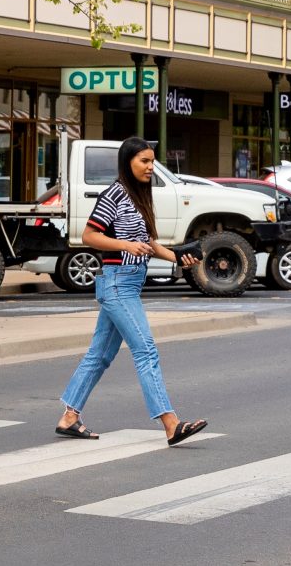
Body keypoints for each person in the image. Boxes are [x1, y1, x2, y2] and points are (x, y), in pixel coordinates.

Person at [53, 137, 206, 447]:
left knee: (100, 356)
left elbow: (151, 245)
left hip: (128, 283)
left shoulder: (139, 197)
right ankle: (170, 423)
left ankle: (69, 417)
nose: (151, 167)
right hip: (117, 282)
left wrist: (179, 257)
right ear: (128, 163)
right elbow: (89, 235)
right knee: (146, 350)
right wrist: (124, 245)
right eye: (145, 162)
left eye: (152, 161)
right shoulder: (114, 194)